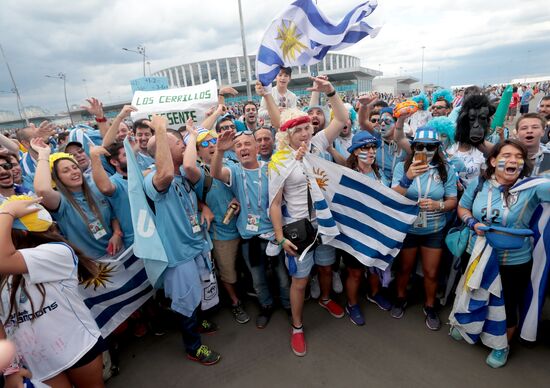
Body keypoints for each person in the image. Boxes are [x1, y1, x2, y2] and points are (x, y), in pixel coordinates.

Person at [269, 76, 348, 357]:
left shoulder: (317, 144)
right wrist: (280, 238)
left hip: (324, 222)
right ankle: (298, 326)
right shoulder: (278, 161)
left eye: (307, 127)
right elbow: (275, 205)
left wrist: (331, 91)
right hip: (297, 227)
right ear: (287, 135)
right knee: (300, 281)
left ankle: (326, 298)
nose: (305, 133)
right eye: (298, 130)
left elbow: (340, 118)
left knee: (327, 267)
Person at [456, 139, 550, 367]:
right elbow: (463, 207)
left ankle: (502, 346)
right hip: (477, 253)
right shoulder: (480, 183)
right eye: (506, 155)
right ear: (493, 160)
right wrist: (471, 222)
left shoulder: (533, 187)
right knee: (473, 291)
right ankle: (469, 327)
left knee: (507, 304)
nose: (513, 160)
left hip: (514, 261)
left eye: (518, 157)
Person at [0, 196, 104, 387]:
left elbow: (3, 259)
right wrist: (10, 369)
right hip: (40, 364)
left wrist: (7, 212)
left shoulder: (58, 252)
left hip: (78, 347)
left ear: (21, 233)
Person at [143, 115, 221, 365]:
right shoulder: (153, 178)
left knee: (196, 290)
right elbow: (164, 174)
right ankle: (192, 346)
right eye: (177, 144)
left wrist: (203, 207)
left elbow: (185, 194)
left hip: (195, 244)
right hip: (178, 254)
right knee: (185, 299)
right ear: (164, 151)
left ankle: (197, 322)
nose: (183, 146)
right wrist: (161, 129)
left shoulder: (182, 177)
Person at [210, 127, 291, 329]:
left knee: (282, 277)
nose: (243, 148)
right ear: (235, 151)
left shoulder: (271, 168)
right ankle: (266, 306)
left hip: (274, 235)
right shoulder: (235, 171)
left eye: (247, 143)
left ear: (257, 147)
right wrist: (219, 151)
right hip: (250, 240)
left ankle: (289, 305)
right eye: (238, 145)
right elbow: (215, 173)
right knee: (258, 280)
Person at [183, 124, 251, 325]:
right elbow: (187, 168)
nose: (212, 145)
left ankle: (247, 291)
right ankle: (235, 302)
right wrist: (192, 134)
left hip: (245, 227)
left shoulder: (232, 161)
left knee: (247, 267)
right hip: (221, 234)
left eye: (214, 140)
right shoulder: (198, 173)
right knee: (228, 272)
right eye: (205, 143)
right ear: (197, 150)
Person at [391, 128, 458, 330]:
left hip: (434, 230)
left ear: (437, 148)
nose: (425, 150)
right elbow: (392, 197)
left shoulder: (446, 169)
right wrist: (408, 177)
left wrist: (438, 206)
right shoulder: (402, 166)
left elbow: (453, 201)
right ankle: (401, 298)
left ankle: (430, 306)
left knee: (431, 272)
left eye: (430, 146)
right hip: (408, 229)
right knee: (404, 269)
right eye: (420, 146)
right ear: (413, 147)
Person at [31, 138, 123, 260]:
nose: (74, 172)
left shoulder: (94, 186)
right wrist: (43, 155)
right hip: (93, 265)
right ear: (57, 178)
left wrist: (117, 233)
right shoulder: (60, 201)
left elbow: (112, 215)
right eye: (66, 171)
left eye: (75, 167)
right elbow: (42, 190)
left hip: (119, 254)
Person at [341, 131, 392, 325]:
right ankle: (352, 304)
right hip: (353, 234)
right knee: (355, 272)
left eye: (373, 147)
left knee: (374, 268)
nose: (370, 151)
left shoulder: (379, 174)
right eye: (365, 148)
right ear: (355, 152)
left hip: (376, 233)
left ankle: (374, 293)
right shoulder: (346, 175)